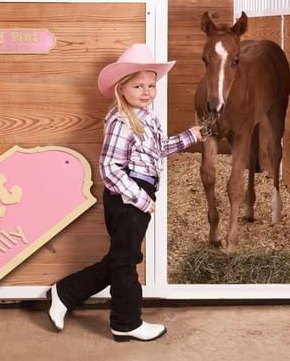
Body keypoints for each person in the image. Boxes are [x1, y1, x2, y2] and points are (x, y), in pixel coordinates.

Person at [47, 43, 204, 342]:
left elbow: (157, 151)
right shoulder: (121, 121)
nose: (146, 91)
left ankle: (65, 292)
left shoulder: (147, 117)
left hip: (138, 192)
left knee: (121, 257)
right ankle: (126, 321)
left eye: (151, 85)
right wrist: (142, 199)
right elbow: (109, 167)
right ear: (121, 89)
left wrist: (189, 136)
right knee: (126, 260)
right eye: (138, 86)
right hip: (127, 197)